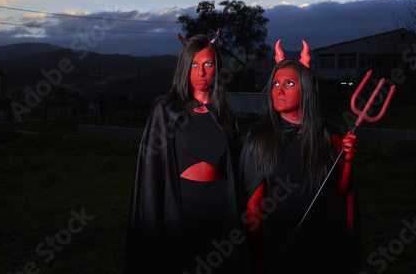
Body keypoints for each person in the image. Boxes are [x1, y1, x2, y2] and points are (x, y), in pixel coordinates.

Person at [238, 41, 362, 273]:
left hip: (323, 245)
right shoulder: (260, 137)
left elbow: (341, 193)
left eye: (289, 83)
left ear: (306, 89)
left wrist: (348, 161)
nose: (279, 90)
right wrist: (257, 261)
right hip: (277, 245)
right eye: (275, 83)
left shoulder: (332, 134)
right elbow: (253, 208)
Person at [125, 31, 242, 273]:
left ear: (217, 67)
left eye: (208, 64)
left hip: (219, 210)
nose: (201, 72)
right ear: (184, 68)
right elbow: (151, 174)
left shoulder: (226, 114)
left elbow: (238, 169)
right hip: (180, 208)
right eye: (194, 64)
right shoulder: (166, 110)